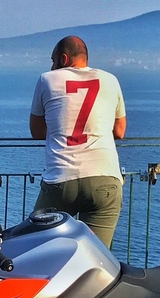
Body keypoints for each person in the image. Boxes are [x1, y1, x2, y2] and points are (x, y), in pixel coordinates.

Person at [29, 36, 126, 248]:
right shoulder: (110, 80)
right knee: (97, 255)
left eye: (53, 61)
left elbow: (37, 132)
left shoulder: (47, 80)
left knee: (38, 246)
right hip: (105, 179)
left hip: (61, 179)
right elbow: (120, 131)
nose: (52, 66)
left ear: (63, 59)